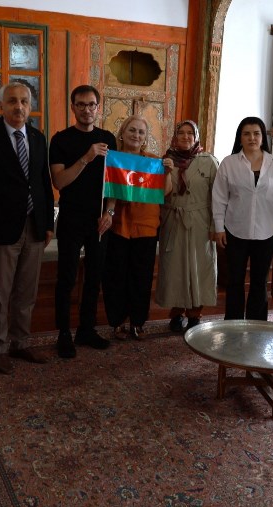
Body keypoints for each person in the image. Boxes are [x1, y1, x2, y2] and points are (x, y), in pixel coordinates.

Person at [0, 82, 54, 374]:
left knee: (26, 292)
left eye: (24, 102)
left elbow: (44, 183)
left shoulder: (38, 138)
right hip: (0, 229)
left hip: (35, 226)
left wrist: (48, 224)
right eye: (12, 101)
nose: (19, 107)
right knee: (0, 293)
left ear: (30, 106)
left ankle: (21, 342)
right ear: (1, 106)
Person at [49, 85, 117, 358]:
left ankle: (86, 329)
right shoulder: (60, 140)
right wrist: (86, 158)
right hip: (70, 217)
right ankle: (64, 333)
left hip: (99, 218)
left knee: (94, 277)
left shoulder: (108, 138)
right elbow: (59, 181)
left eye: (91, 105)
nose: (87, 109)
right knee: (66, 278)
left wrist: (110, 212)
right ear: (73, 107)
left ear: (98, 108)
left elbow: (114, 182)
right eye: (81, 104)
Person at [212, 116, 273, 321]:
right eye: (246, 134)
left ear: (263, 137)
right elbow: (219, 198)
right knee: (235, 281)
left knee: (259, 282)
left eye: (256, 133)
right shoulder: (229, 163)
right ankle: (233, 324)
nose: (252, 138)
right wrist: (219, 228)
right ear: (240, 138)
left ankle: (257, 326)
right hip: (235, 230)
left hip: (267, 232)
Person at [102, 115, 173, 339]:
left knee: (141, 277)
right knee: (116, 276)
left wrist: (167, 172)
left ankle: (137, 322)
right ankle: (117, 322)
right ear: (122, 133)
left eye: (141, 132)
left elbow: (165, 191)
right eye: (132, 130)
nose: (136, 135)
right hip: (118, 225)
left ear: (145, 138)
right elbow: (108, 189)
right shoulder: (112, 159)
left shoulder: (153, 161)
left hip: (146, 225)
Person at [155, 120, 219, 332]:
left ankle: (195, 315)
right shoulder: (165, 160)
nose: (185, 136)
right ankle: (176, 313)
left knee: (199, 268)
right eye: (181, 133)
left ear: (196, 136)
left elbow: (218, 196)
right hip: (173, 220)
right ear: (175, 136)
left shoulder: (209, 161)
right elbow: (158, 194)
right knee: (174, 269)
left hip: (200, 222)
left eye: (190, 133)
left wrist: (216, 226)